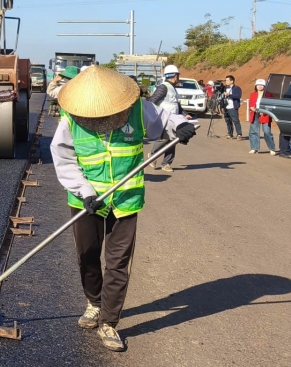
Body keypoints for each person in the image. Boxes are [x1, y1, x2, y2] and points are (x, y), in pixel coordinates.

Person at [52, 67, 197, 352]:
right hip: (87, 201)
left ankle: (109, 321)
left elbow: (167, 118)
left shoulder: (137, 110)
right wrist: (85, 191)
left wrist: (180, 125)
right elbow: (63, 158)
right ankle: (94, 303)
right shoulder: (70, 119)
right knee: (88, 255)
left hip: (126, 200)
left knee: (118, 263)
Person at [149, 64, 183, 172]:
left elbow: (176, 104)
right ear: (174, 76)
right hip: (165, 118)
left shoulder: (173, 88)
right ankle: (153, 156)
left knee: (173, 140)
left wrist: (184, 113)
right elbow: (152, 101)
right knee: (164, 139)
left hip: (174, 118)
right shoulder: (163, 87)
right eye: (178, 75)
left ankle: (167, 163)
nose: (178, 77)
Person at [247, 78, 277, 155]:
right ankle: (254, 148)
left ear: (265, 86)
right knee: (253, 131)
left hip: (265, 114)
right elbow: (251, 104)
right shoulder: (253, 94)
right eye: (258, 85)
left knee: (267, 131)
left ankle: (272, 148)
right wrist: (252, 108)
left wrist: (264, 111)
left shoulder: (268, 95)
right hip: (255, 113)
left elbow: (270, 105)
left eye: (262, 85)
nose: (260, 86)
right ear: (255, 86)